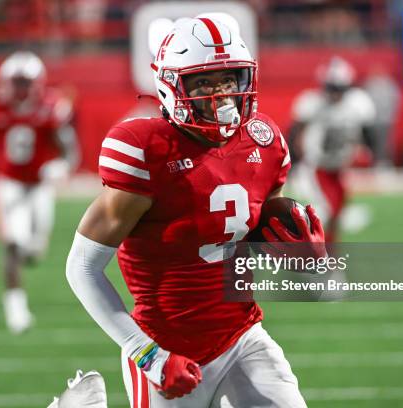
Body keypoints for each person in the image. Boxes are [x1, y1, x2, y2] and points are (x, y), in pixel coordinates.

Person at [65, 17, 324, 407]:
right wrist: (149, 356)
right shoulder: (146, 150)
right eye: (203, 82)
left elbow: (246, 234)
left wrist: (298, 254)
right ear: (171, 85)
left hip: (242, 335)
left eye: (228, 79)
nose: (220, 94)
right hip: (165, 348)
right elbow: (81, 268)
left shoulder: (263, 141)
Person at [0, 50, 80, 334]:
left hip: (39, 186)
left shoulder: (51, 106)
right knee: (13, 244)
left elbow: (68, 148)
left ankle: (28, 252)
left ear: (38, 82)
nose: (20, 88)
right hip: (7, 183)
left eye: (25, 82)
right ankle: (16, 309)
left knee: (34, 252)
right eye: (16, 82)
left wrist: (61, 166)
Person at [288, 56, 375, 242]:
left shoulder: (357, 104)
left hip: (338, 168)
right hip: (315, 168)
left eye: (339, 88)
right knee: (324, 213)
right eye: (331, 88)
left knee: (335, 214)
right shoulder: (312, 103)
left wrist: (364, 149)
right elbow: (294, 136)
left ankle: (327, 258)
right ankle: (311, 256)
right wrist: (294, 163)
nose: (335, 94)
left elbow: (368, 135)